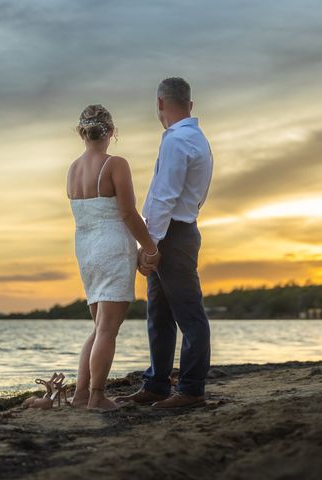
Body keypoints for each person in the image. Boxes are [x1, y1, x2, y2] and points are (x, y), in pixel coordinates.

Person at [115, 77, 214, 409]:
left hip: (172, 234)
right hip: (178, 231)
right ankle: (157, 384)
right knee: (158, 313)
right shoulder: (197, 139)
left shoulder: (177, 141)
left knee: (188, 314)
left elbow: (163, 198)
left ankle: (191, 390)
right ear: (190, 104)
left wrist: (152, 246)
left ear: (159, 103)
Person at [66, 104, 161, 411]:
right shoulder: (115, 164)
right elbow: (128, 213)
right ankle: (96, 396)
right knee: (107, 329)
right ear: (112, 132)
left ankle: (81, 395)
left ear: (81, 132)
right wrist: (149, 247)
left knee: (98, 327)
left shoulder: (73, 169)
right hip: (111, 245)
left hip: (85, 248)